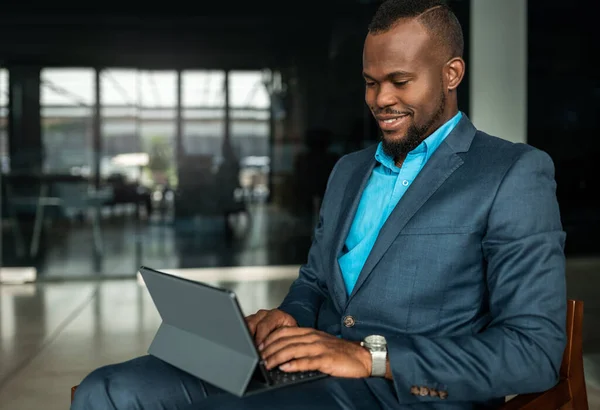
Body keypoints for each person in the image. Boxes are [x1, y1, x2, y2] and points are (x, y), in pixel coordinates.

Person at [71, 0, 567, 409]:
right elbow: (314, 281)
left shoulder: (512, 173)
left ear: (452, 73)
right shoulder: (349, 171)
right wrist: (289, 316)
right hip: (306, 369)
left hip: (401, 392)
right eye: (371, 83)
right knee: (106, 390)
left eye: (400, 80)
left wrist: (370, 358)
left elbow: (533, 351)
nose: (380, 99)